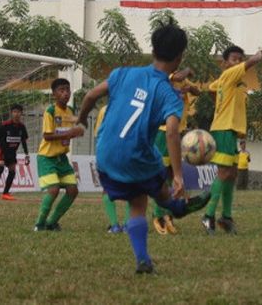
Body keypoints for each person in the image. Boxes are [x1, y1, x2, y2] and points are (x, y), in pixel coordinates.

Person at [77, 21, 211, 274]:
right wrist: (180, 176)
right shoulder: (169, 93)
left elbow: (90, 96)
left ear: (153, 48)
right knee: (144, 198)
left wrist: (83, 118)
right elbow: (172, 131)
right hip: (137, 156)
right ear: (180, 56)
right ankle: (174, 210)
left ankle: (148, 252)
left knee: (139, 193)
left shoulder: (122, 73)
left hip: (104, 155)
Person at [202, 45, 262, 235]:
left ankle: (226, 217)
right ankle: (209, 215)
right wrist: (259, 54)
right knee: (224, 172)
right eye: (234, 59)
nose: (237, 62)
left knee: (232, 174)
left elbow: (212, 89)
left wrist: (221, 104)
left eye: (239, 59)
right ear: (225, 63)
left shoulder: (232, 81)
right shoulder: (229, 75)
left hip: (232, 130)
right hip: (223, 129)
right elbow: (251, 62)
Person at [152, 68, 202, 236]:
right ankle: (158, 216)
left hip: (176, 132)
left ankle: (168, 215)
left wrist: (189, 88)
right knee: (162, 175)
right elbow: (178, 76)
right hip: (164, 131)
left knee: (173, 175)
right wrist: (188, 71)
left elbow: (198, 91)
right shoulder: (167, 76)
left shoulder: (182, 81)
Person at [34, 78, 84, 231]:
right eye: (61, 90)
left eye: (67, 90)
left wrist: (78, 131)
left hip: (61, 158)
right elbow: (47, 136)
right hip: (47, 158)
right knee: (54, 189)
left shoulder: (70, 111)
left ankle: (52, 222)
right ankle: (39, 224)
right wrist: (70, 133)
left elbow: (74, 129)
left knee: (73, 190)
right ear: (54, 94)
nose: (65, 93)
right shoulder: (50, 111)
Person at [0, 103, 29, 201]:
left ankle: (5, 193)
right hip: (2, 150)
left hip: (12, 152)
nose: (16, 114)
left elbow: (23, 141)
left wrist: (26, 154)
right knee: (1, 166)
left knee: (12, 170)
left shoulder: (22, 127)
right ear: (11, 113)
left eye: (18, 112)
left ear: (21, 113)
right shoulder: (5, 125)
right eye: (14, 112)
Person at [95, 105, 130, 234]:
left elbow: (98, 134)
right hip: (128, 151)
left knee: (108, 188)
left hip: (109, 151)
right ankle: (127, 226)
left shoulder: (105, 109)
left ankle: (115, 225)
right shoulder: (134, 106)